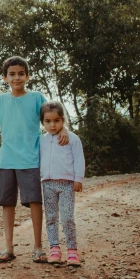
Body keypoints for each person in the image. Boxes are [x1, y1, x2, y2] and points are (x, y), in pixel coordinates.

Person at [0, 56, 68, 263]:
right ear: (4, 78)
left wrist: (63, 129)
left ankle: (38, 247)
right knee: (7, 203)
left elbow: (51, 116)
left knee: (35, 202)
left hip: (31, 158)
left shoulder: (36, 97)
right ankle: (8, 248)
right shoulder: (2, 100)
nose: (16, 77)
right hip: (7, 158)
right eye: (12, 74)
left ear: (27, 76)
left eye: (20, 73)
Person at [38, 101, 85, 266]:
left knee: (67, 217)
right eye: (48, 121)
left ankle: (72, 251)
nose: (52, 125)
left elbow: (79, 159)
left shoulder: (71, 138)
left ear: (63, 120)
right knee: (51, 217)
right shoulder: (41, 140)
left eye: (57, 121)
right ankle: (54, 249)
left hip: (66, 184)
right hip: (47, 184)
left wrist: (78, 179)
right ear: (42, 122)